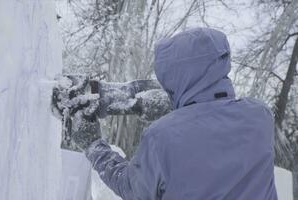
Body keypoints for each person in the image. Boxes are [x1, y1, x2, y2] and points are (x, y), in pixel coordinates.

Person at [71, 27, 278, 200]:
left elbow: (132, 189)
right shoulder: (261, 117)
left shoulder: (161, 137)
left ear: (174, 75)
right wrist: (178, 107)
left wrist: (94, 146)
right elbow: (214, 120)